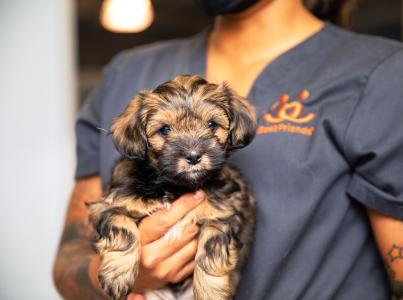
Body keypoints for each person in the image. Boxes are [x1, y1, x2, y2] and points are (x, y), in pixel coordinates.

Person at [53, 0, 403, 299]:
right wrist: (130, 270)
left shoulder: (382, 73)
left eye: (211, 126)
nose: (191, 148)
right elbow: (66, 265)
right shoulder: (124, 72)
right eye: (164, 130)